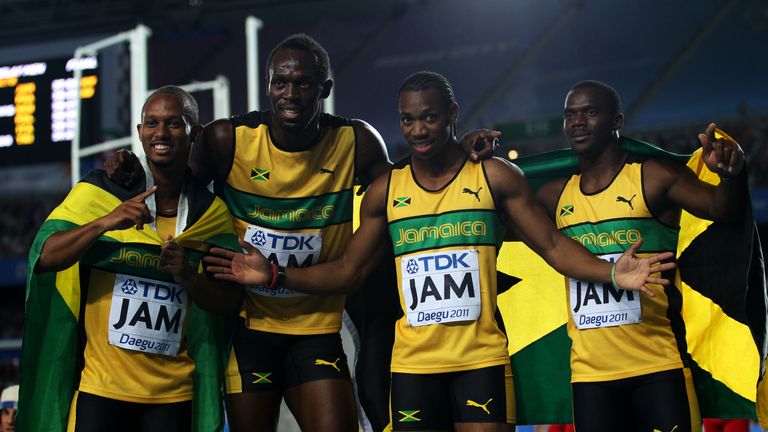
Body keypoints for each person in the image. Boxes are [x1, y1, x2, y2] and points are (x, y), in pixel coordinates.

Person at [203, 71, 676, 432]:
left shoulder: (494, 178)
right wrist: (273, 276)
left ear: (452, 114)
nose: (418, 129)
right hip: (412, 368)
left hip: (482, 362)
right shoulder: (386, 192)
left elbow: (553, 246)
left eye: (429, 116)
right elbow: (348, 271)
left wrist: (613, 275)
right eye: (408, 119)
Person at [178, 34, 498, 432]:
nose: (290, 94)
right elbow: (174, 193)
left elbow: (410, 186)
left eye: (304, 83)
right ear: (268, 86)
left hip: (318, 325)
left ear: (325, 88)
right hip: (250, 327)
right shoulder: (229, 139)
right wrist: (123, 176)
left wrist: (456, 149)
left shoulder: (356, 142)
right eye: (281, 82)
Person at [19, 86, 241, 431]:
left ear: (195, 133)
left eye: (174, 123)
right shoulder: (100, 192)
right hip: (100, 391)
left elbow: (229, 303)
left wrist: (189, 277)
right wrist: (108, 220)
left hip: (173, 396)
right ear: (139, 132)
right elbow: (45, 256)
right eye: (151, 123)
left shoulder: (211, 215)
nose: (161, 133)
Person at [534, 80, 747, 432]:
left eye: (589, 112)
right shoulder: (554, 196)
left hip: (659, 368)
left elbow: (722, 209)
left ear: (617, 121)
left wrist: (732, 175)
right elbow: (495, 214)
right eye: (570, 114)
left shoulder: (652, 178)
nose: (578, 122)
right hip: (590, 377)